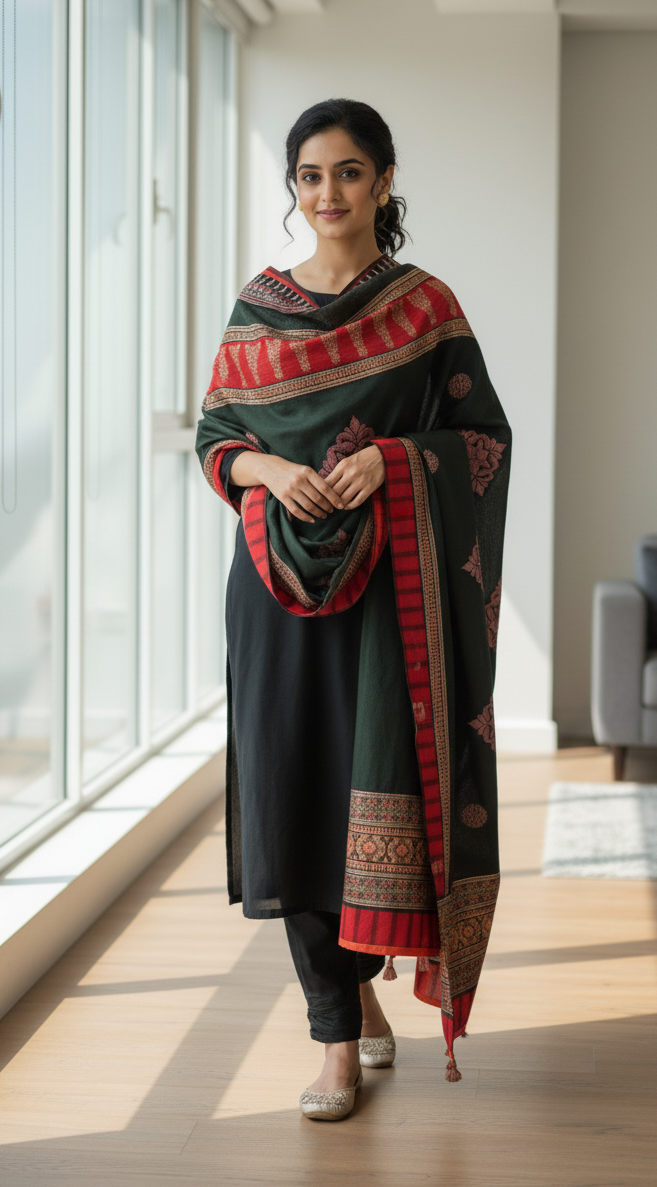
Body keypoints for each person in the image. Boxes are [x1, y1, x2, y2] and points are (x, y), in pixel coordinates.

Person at [196, 98, 510, 1121]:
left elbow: (481, 441)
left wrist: (396, 461)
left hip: (389, 599)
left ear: (382, 181)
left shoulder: (425, 309)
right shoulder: (258, 308)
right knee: (291, 795)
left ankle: (361, 991)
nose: (325, 193)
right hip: (273, 590)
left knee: (364, 794)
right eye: (308, 175)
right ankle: (335, 1035)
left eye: (346, 172)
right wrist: (271, 470)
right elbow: (214, 436)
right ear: (292, 187)